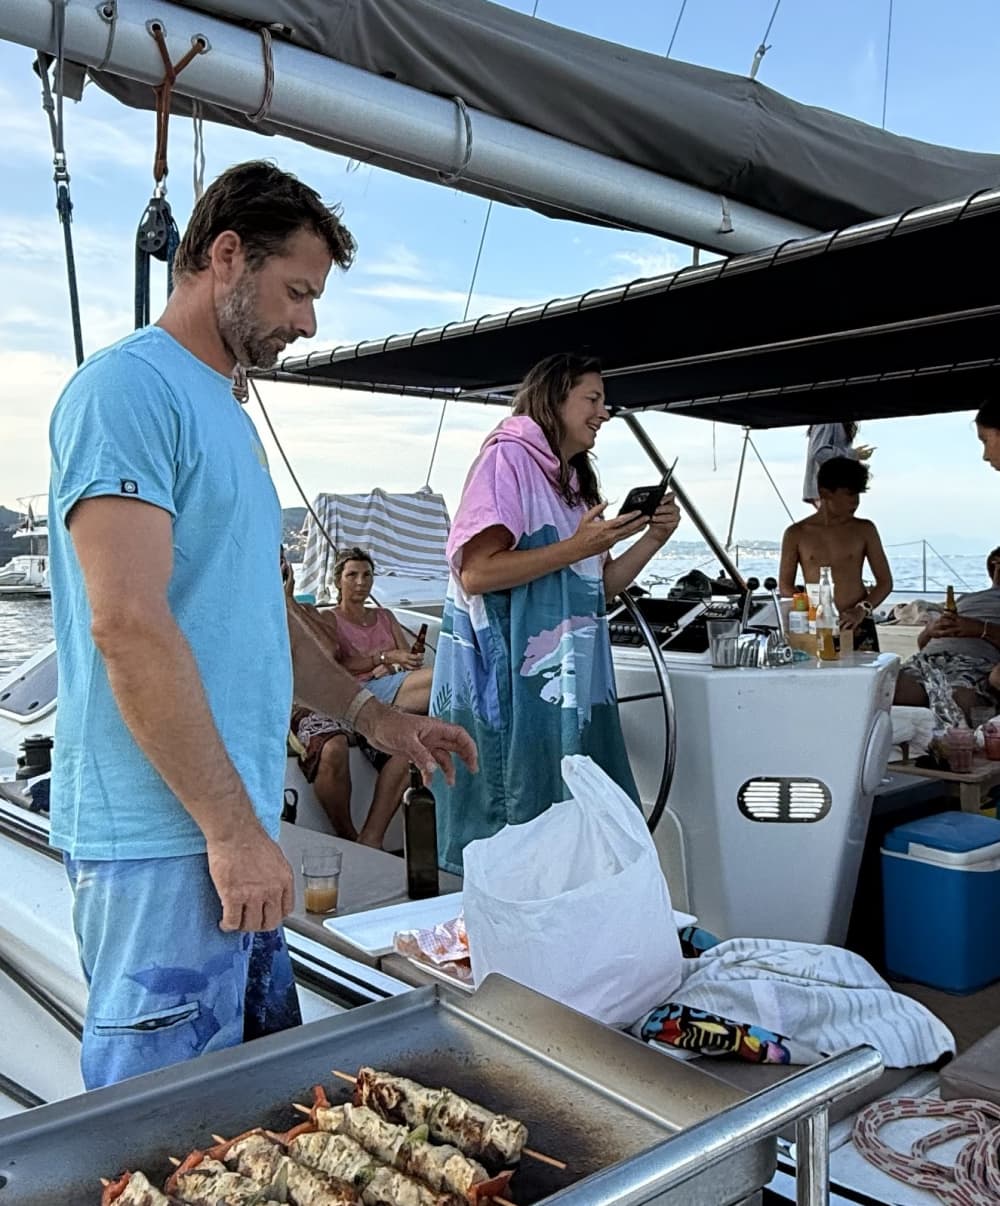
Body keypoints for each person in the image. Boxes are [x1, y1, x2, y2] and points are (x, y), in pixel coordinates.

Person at [47, 161, 476, 1089]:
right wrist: (235, 832)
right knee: (154, 1140)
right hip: (166, 841)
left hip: (225, 831)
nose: (310, 321)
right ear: (226, 257)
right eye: (297, 292)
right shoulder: (126, 391)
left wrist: (374, 720)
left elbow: (261, 620)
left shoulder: (225, 414)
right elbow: (126, 622)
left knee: (251, 1128)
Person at [429, 351, 681, 874]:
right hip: (511, 692)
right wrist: (573, 547)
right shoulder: (507, 461)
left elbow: (599, 588)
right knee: (516, 833)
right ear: (555, 398)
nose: (603, 413)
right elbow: (475, 573)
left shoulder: (572, 482)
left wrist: (653, 537)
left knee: (570, 837)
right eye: (592, 399)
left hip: (568, 691)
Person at [282, 553, 410, 847]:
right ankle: (348, 837)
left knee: (405, 745)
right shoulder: (242, 606)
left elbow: (327, 651)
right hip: (304, 703)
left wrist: (288, 601)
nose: (360, 583)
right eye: (351, 575)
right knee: (333, 747)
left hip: (346, 697)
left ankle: (371, 837)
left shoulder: (307, 612)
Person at [779, 456, 892, 652]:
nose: (855, 501)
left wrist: (861, 610)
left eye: (858, 494)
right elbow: (785, 586)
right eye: (849, 494)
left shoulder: (865, 530)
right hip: (815, 625)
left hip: (858, 623)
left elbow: (885, 582)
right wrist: (809, 611)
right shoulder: (796, 533)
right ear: (825, 493)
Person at [893, 547, 1000, 727]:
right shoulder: (967, 598)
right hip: (928, 660)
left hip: (974, 664)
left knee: (958, 706)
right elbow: (921, 643)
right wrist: (930, 630)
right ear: (993, 565)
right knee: (889, 694)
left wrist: (980, 629)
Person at [330, 547, 431, 713]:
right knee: (437, 678)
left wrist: (394, 667)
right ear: (338, 582)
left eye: (367, 575)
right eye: (352, 575)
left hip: (392, 683)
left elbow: (409, 659)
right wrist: (385, 657)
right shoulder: (330, 618)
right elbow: (332, 666)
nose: (361, 582)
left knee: (443, 682)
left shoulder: (385, 615)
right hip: (355, 691)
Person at [802, 422, 874, 506]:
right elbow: (820, 453)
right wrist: (852, 454)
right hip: (828, 489)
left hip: (832, 489)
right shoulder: (829, 420)